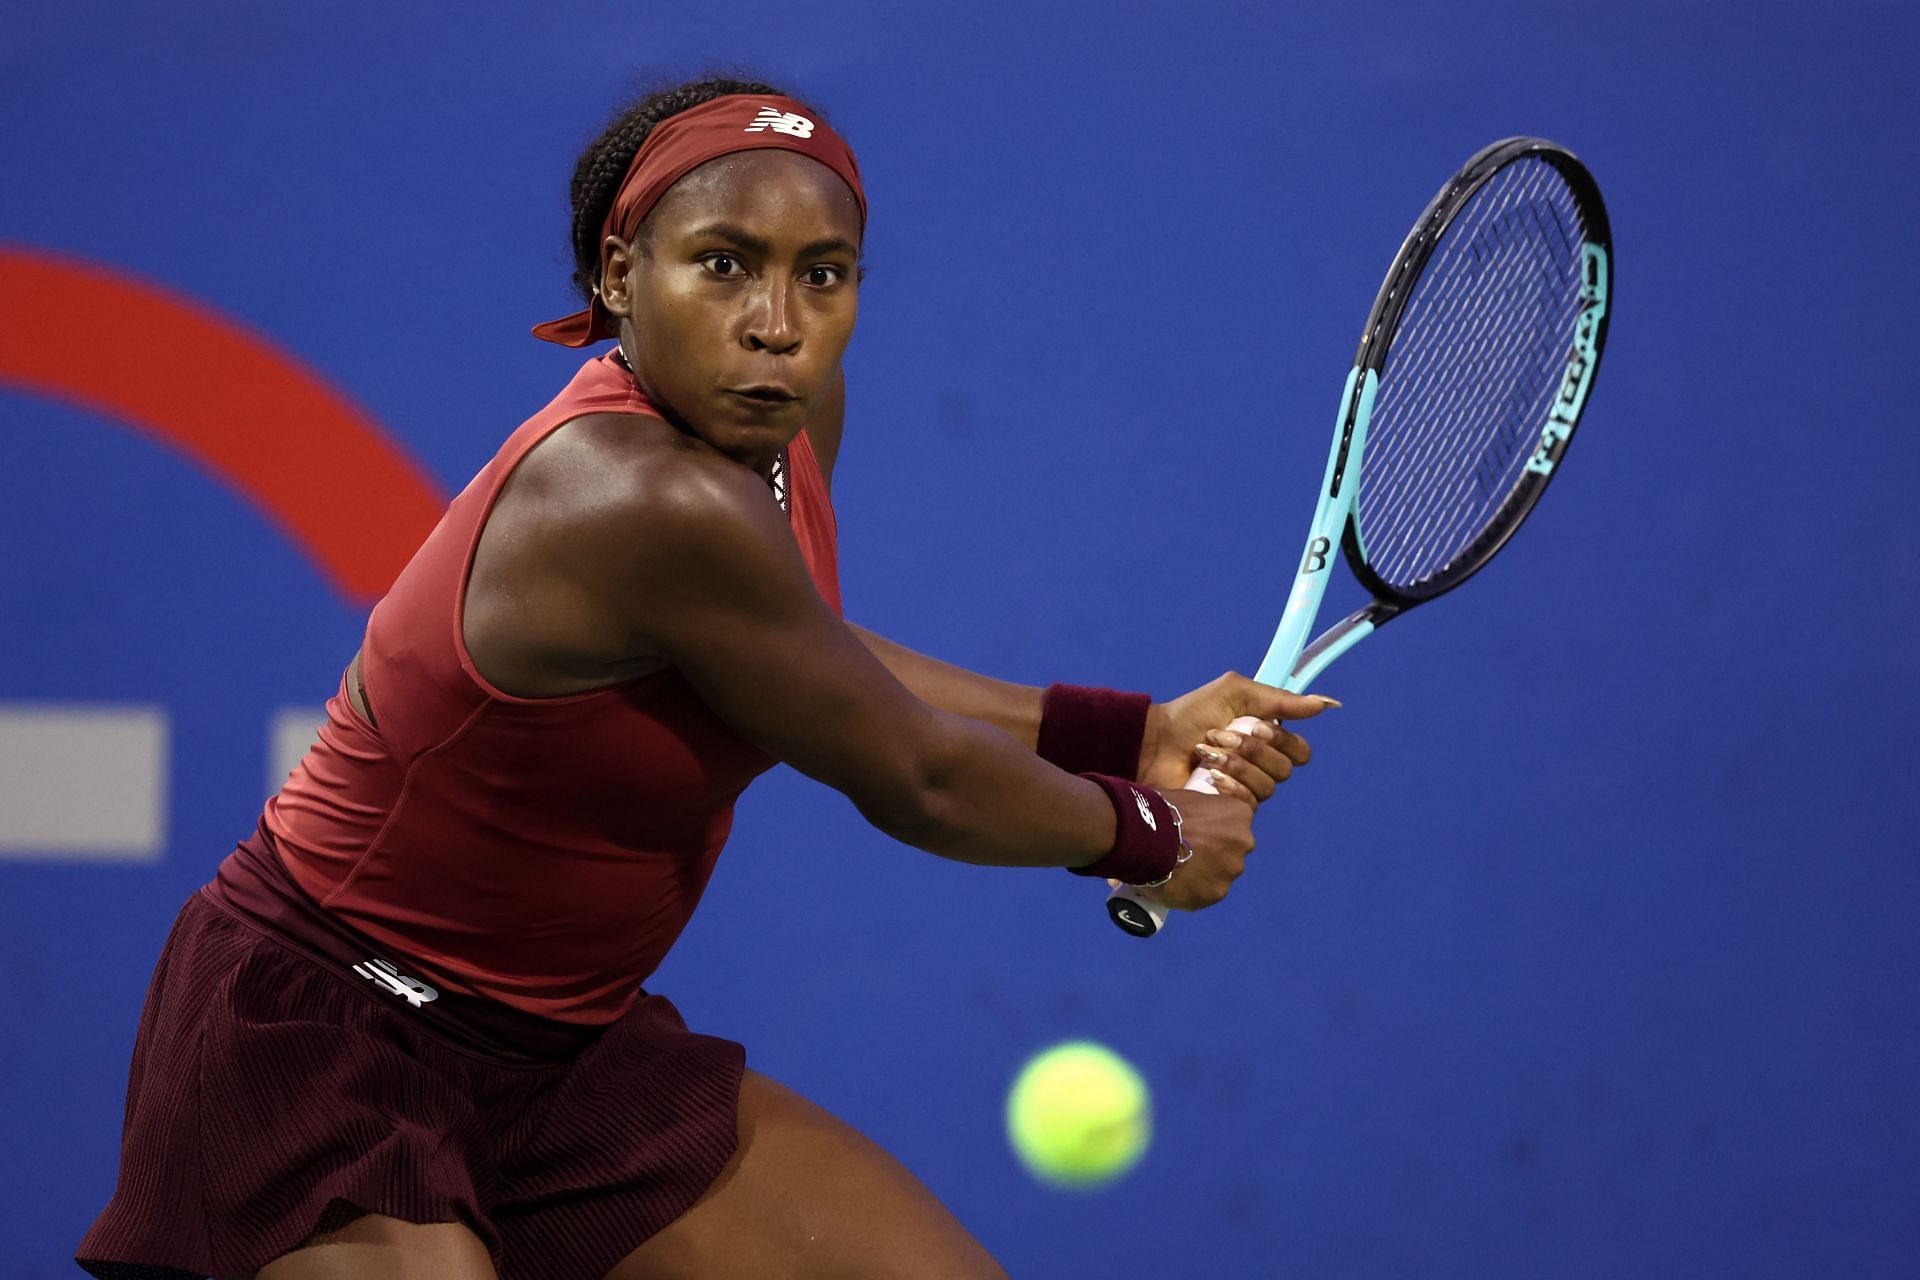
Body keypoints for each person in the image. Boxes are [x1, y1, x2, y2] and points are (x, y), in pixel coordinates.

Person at [76, 77, 1330, 1280]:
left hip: (565, 1052)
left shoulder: (785, 415)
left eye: (821, 275)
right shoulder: (638, 493)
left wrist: (1133, 731)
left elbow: (806, 660)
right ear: (620, 275)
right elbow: (915, 777)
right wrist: (1149, 830)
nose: (777, 320)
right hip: (334, 1039)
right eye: (723, 262)